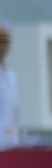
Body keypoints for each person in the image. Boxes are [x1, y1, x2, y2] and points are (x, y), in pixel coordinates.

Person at [0, 21, 18, 149]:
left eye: (6, 42)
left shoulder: (11, 74)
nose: (3, 46)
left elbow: (14, 108)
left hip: (9, 140)